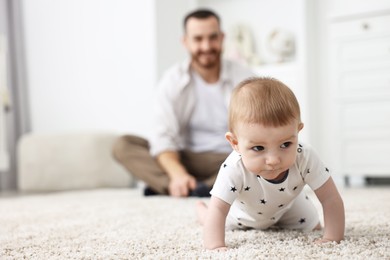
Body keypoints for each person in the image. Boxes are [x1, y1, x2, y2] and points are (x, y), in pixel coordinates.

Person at [112, 9, 255, 197]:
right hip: (185, 157)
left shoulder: (245, 77)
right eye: (198, 39)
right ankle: (186, 184)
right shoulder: (172, 80)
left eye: (212, 38)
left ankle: (181, 187)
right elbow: (163, 137)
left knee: (257, 159)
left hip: (230, 156)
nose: (206, 46)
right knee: (123, 145)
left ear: (222, 38)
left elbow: (259, 130)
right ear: (185, 42)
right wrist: (177, 173)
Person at [196, 77, 345, 250]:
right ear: (235, 143)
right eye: (258, 148)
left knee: (314, 225)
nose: (274, 160)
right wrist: (215, 246)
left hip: (288, 207)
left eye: (285, 145)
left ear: (297, 131)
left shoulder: (305, 156)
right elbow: (219, 209)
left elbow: (330, 198)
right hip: (243, 214)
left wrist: (333, 237)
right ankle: (200, 210)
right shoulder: (233, 168)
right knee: (211, 219)